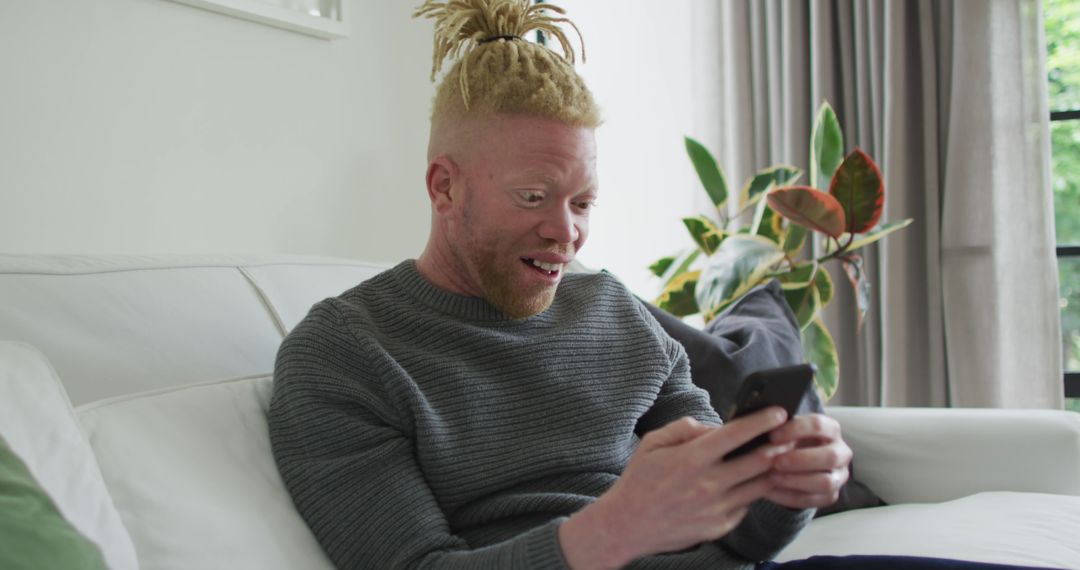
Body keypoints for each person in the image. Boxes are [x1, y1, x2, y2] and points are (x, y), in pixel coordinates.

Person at [267, 2, 1051, 569]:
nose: (565, 233)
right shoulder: (344, 357)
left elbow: (738, 534)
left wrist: (786, 484)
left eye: (582, 204)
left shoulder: (611, 312)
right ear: (444, 186)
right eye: (534, 199)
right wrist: (613, 530)